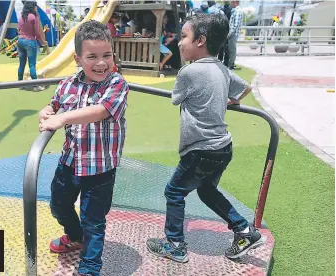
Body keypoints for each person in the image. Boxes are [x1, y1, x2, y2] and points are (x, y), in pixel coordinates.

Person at [146, 13, 265, 263]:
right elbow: (245, 88)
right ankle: (244, 231)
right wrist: (229, 100)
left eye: (184, 37)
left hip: (200, 149)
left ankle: (175, 244)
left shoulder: (189, 72)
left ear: (200, 40)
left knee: (174, 192)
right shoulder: (221, 68)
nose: (179, 43)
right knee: (207, 192)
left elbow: (176, 98)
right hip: (223, 146)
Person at [38, 20, 129, 276]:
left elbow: (101, 110)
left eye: (106, 55)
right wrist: (47, 110)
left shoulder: (116, 84)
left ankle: (90, 267)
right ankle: (74, 235)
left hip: (100, 169)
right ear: (78, 58)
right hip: (69, 162)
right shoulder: (67, 84)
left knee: (94, 221)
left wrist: (63, 118)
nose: (101, 63)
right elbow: (54, 104)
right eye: (92, 57)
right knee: (58, 205)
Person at [17, 0, 47, 91]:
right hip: (30, 41)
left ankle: (20, 84)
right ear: (32, 7)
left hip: (20, 40)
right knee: (32, 65)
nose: (36, 8)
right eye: (35, 6)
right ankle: (35, 85)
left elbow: (18, 29)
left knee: (22, 64)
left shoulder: (22, 16)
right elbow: (37, 33)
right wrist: (42, 42)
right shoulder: (34, 17)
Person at [227, 0, 243, 70]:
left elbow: (235, 25)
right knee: (231, 49)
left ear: (235, 2)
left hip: (233, 34)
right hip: (234, 34)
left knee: (232, 49)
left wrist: (229, 34)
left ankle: (231, 65)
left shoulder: (237, 11)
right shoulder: (237, 10)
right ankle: (231, 64)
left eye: (232, 2)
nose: (231, 3)